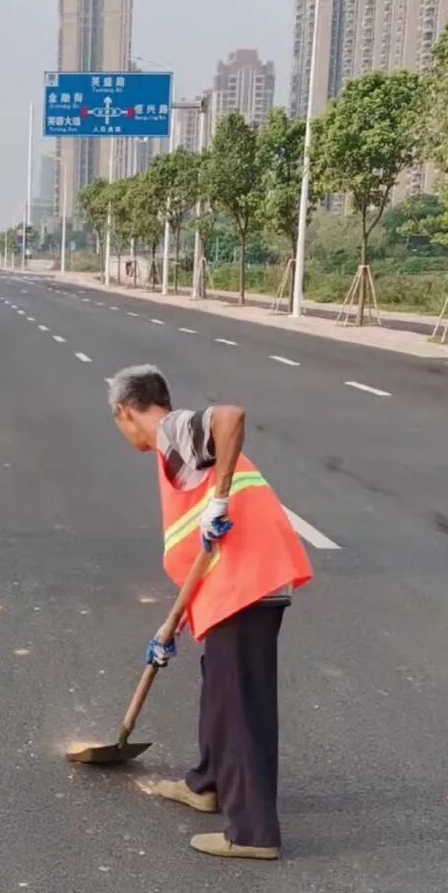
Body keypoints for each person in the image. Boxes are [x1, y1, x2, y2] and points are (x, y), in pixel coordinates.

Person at [108, 364, 313, 861]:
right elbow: (196, 550)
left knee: (240, 705)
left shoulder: (173, 430)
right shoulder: (174, 453)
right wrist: (171, 625)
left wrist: (219, 502)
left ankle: (253, 833)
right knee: (221, 693)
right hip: (235, 586)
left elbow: (230, 416)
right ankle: (208, 783)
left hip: (248, 584)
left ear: (124, 412)